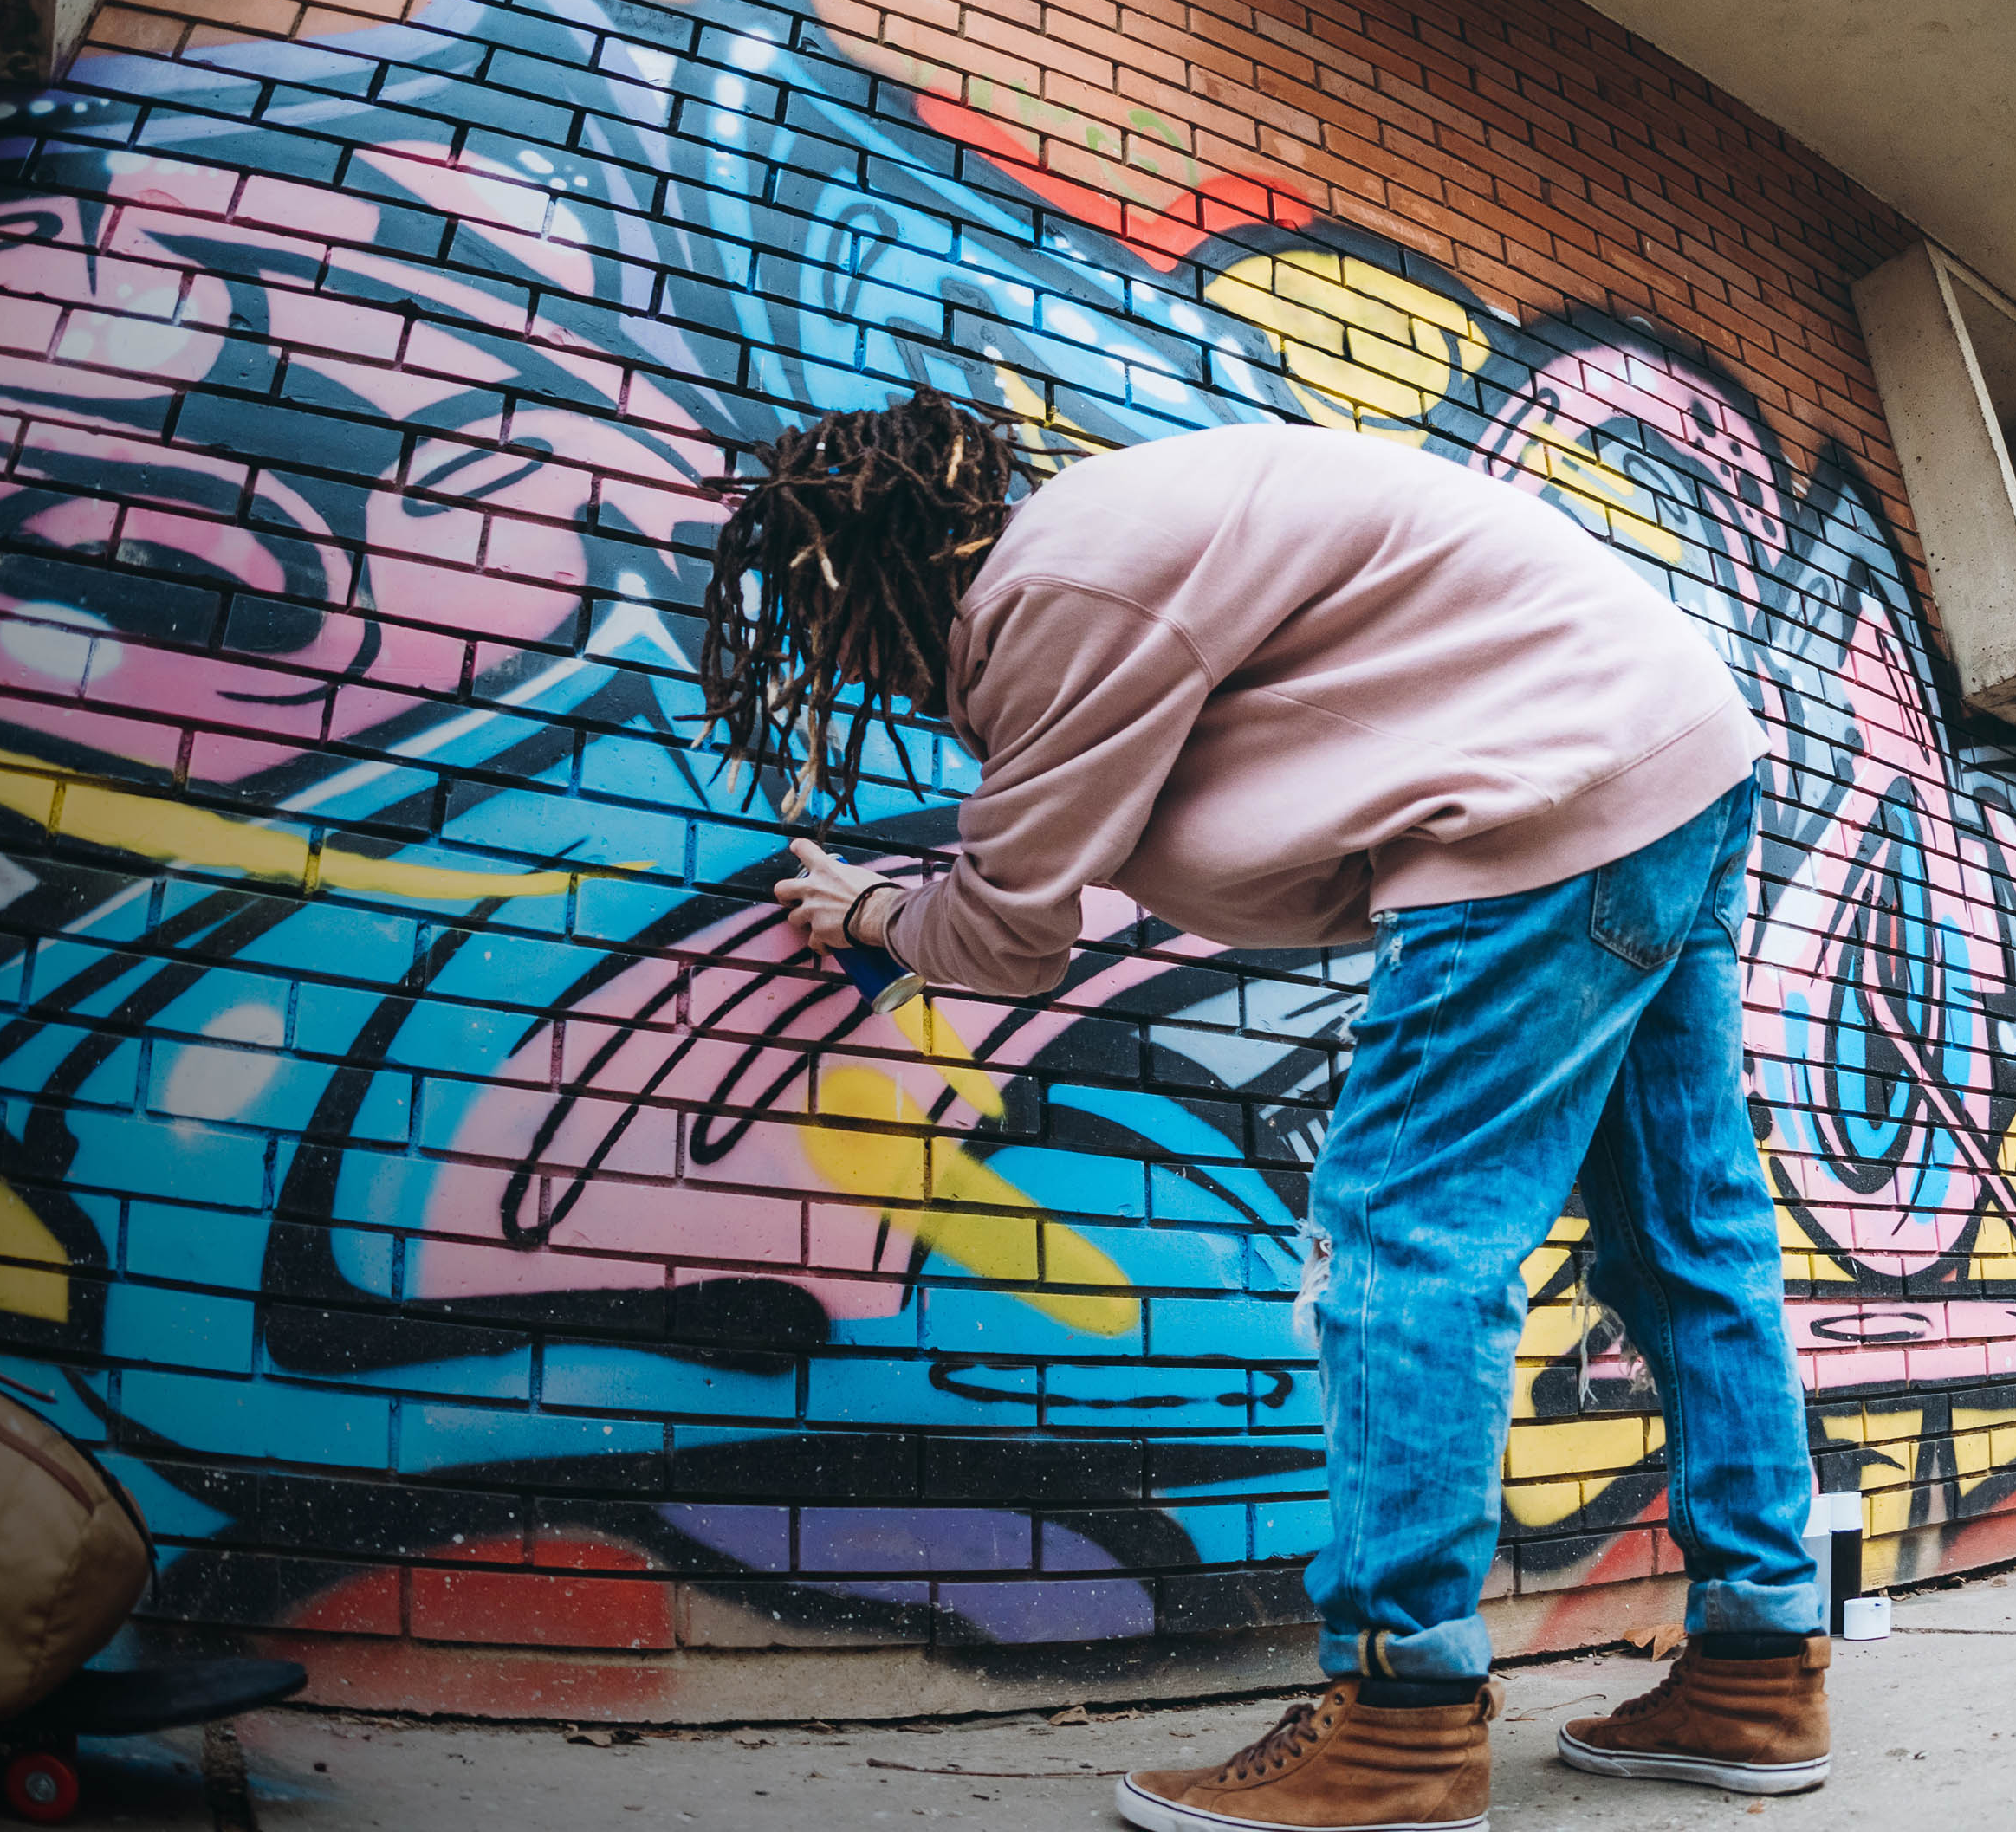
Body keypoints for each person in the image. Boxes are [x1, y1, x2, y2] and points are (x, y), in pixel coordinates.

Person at [705, 391, 1831, 1832]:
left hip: (1533, 800)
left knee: (1405, 1240)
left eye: (832, 639)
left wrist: (870, 908)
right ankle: (1758, 1666)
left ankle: (1402, 1715)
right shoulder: (1118, 539)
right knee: (1687, 1240)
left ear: (863, 574)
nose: (854, 677)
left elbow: (1012, 929)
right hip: (1670, 763)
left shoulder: (1051, 590)